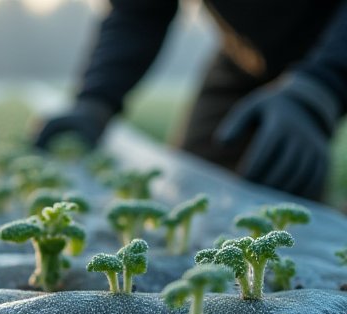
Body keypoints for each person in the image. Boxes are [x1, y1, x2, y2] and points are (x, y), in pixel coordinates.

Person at [35, 1, 347, 200]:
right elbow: (140, 12)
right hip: (248, 59)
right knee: (196, 191)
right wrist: (96, 99)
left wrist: (321, 86)